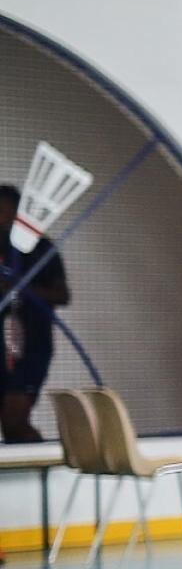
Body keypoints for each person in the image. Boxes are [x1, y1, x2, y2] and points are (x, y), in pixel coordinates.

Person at [0, 182, 69, 444]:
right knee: (9, 425)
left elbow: (62, 295)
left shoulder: (40, 249)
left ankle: (46, 461)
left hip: (30, 347)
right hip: (3, 349)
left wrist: (21, 288)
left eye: (3, 212)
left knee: (15, 422)